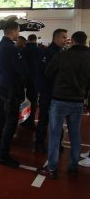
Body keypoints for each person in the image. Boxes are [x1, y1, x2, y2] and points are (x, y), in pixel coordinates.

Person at [38, 31, 90, 179]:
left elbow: (48, 72)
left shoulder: (63, 55)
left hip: (59, 99)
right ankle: (73, 167)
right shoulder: (88, 57)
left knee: (54, 135)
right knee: (75, 135)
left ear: (72, 41)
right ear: (85, 41)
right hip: (78, 101)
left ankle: (52, 169)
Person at [0, 20, 27, 168]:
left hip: (1, 86)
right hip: (10, 90)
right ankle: (4, 155)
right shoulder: (11, 48)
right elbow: (22, 69)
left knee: (0, 118)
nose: (18, 34)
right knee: (11, 121)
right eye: (18, 31)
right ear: (13, 31)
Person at [34, 29, 68, 153]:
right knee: (44, 118)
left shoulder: (63, 52)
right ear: (56, 38)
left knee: (59, 119)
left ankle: (57, 143)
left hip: (59, 92)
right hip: (48, 92)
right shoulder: (46, 53)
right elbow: (43, 73)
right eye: (63, 37)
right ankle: (39, 143)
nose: (65, 40)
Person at [20, 34, 41, 129]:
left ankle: (23, 120)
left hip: (23, 81)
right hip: (35, 80)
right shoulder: (40, 51)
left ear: (28, 40)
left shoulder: (22, 51)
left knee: (24, 101)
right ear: (35, 40)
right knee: (33, 102)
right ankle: (31, 122)